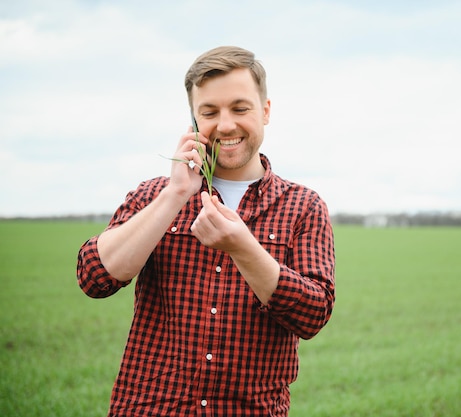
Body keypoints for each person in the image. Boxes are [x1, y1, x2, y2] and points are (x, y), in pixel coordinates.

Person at [77, 46, 335, 416]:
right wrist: (175, 194)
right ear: (193, 121)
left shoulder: (303, 206)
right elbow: (94, 278)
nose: (226, 124)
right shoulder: (155, 194)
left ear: (265, 111)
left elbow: (313, 315)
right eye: (210, 112)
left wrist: (244, 248)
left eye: (240, 108)